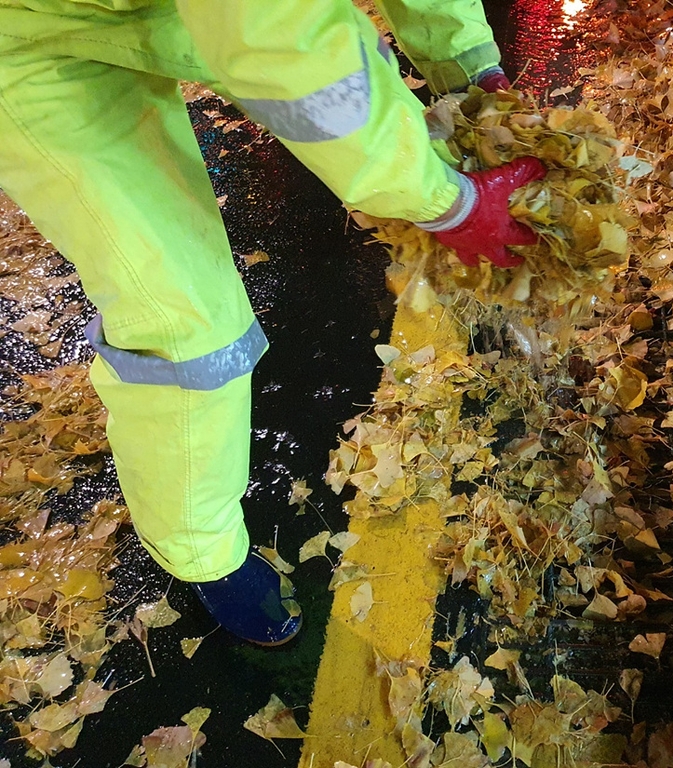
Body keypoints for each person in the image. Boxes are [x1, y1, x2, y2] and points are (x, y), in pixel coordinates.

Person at [0, 0, 546, 645]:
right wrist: (445, 201)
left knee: (351, 92)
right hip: (24, 35)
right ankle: (203, 554)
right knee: (183, 323)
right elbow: (289, 54)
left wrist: (466, 66)